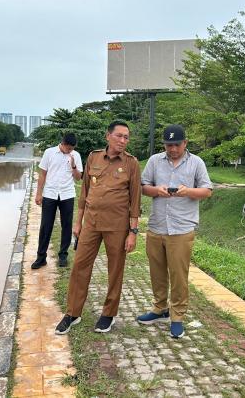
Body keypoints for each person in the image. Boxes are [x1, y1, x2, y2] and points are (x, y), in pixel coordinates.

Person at [55, 121, 141, 335]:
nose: (123, 141)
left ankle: (108, 315)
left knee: (115, 270)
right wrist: (78, 222)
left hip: (117, 225)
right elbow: (85, 193)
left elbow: (136, 201)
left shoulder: (131, 163)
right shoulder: (93, 157)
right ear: (108, 136)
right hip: (91, 223)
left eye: (126, 137)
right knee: (80, 266)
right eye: (119, 136)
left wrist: (133, 232)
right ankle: (73, 313)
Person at [137, 124, 213, 338]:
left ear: (185, 143)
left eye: (176, 145)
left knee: (179, 274)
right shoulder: (154, 161)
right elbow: (143, 186)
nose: (172, 149)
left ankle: (177, 315)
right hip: (157, 226)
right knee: (157, 272)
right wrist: (157, 190)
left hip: (181, 228)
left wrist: (187, 191)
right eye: (168, 145)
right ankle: (159, 308)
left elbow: (207, 191)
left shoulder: (196, 163)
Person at [31, 133, 83, 269]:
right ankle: (41, 257)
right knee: (45, 226)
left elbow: (78, 178)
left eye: (72, 148)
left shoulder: (75, 156)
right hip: (50, 193)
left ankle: (63, 256)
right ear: (63, 143)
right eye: (68, 148)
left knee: (66, 226)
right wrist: (38, 194)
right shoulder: (49, 153)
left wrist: (73, 166)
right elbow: (42, 174)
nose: (70, 151)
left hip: (67, 194)